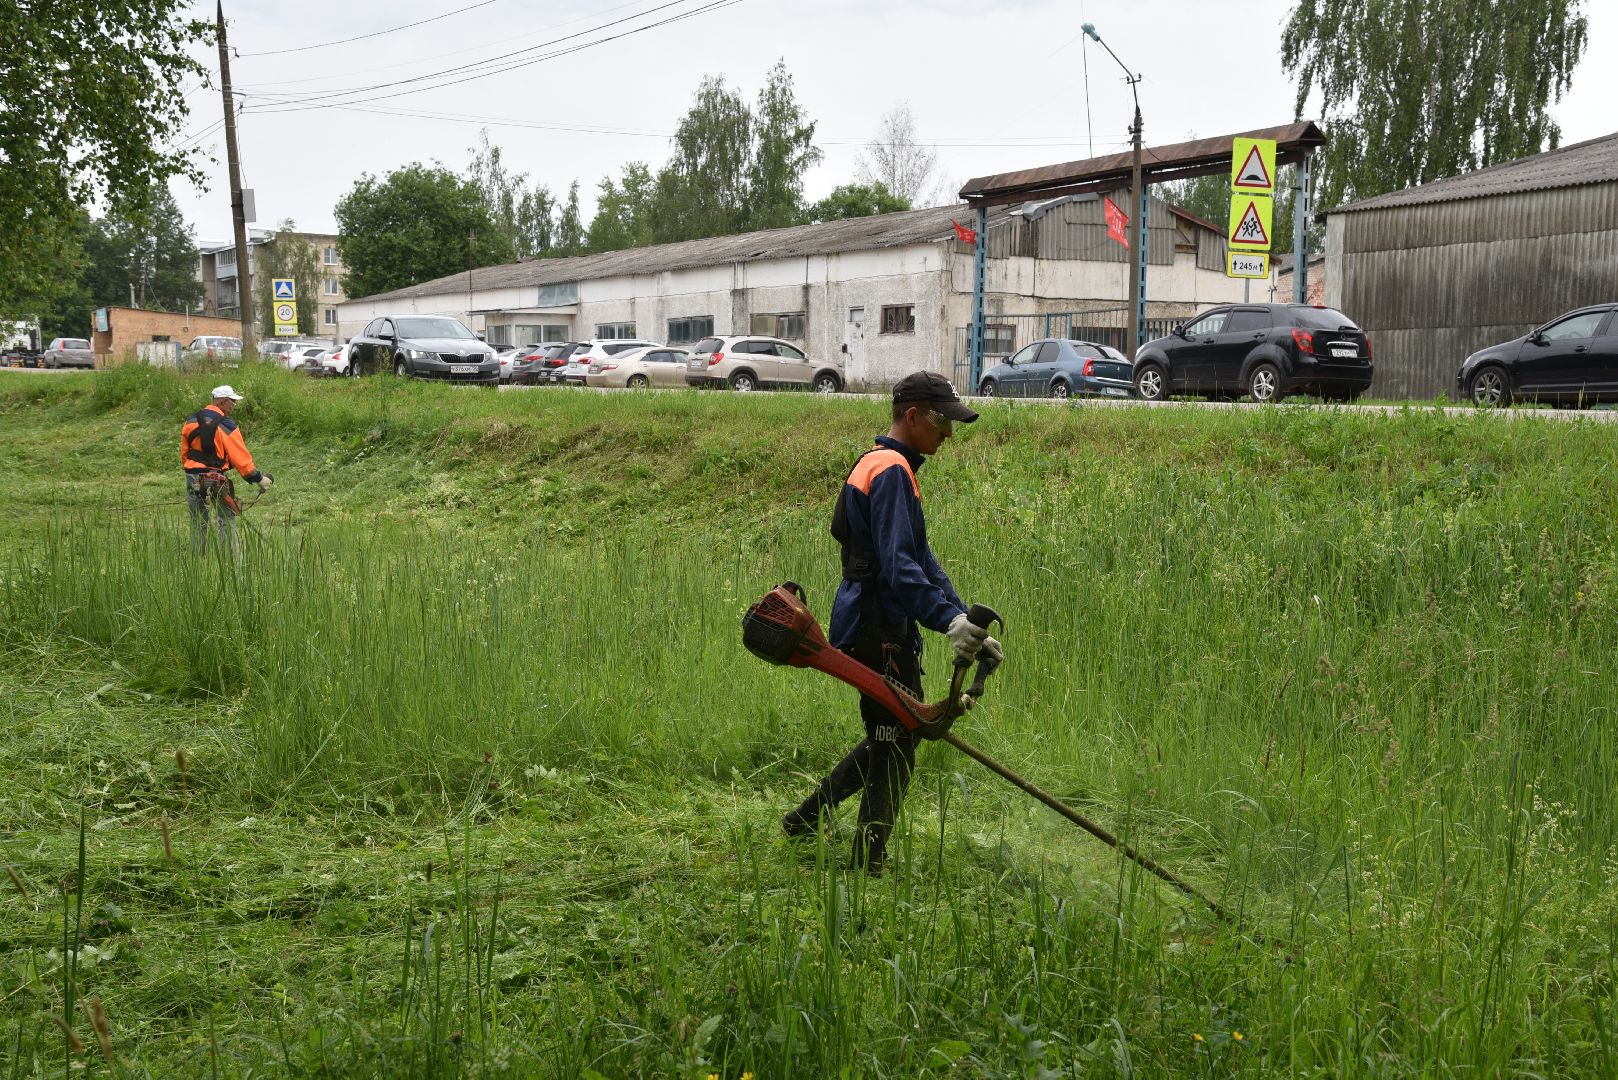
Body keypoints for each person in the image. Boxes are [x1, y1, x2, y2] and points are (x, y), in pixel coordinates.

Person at [782, 370, 1003, 874]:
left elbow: (923, 561)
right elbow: (900, 565)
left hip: (882, 624)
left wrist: (965, 619)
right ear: (913, 416)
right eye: (943, 421)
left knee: (891, 731)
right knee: (896, 740)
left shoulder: (888, 467)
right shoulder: (891, 473)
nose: (949, 432)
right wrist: (947, 621)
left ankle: (803, 821)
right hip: (876, 627)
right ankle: (867, 862)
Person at [181, 385, 272, 553]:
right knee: (226, 519)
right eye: (232, 401)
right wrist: (258, 478)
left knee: (198, 522)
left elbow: (185, 453)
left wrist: (193, 471)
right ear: (222, 401)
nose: (234, 405)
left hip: (193, 477)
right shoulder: (226, 424)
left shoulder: (191, 420)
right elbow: (241, 458)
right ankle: (230, 563)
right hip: (217, 480)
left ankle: (195, 566)